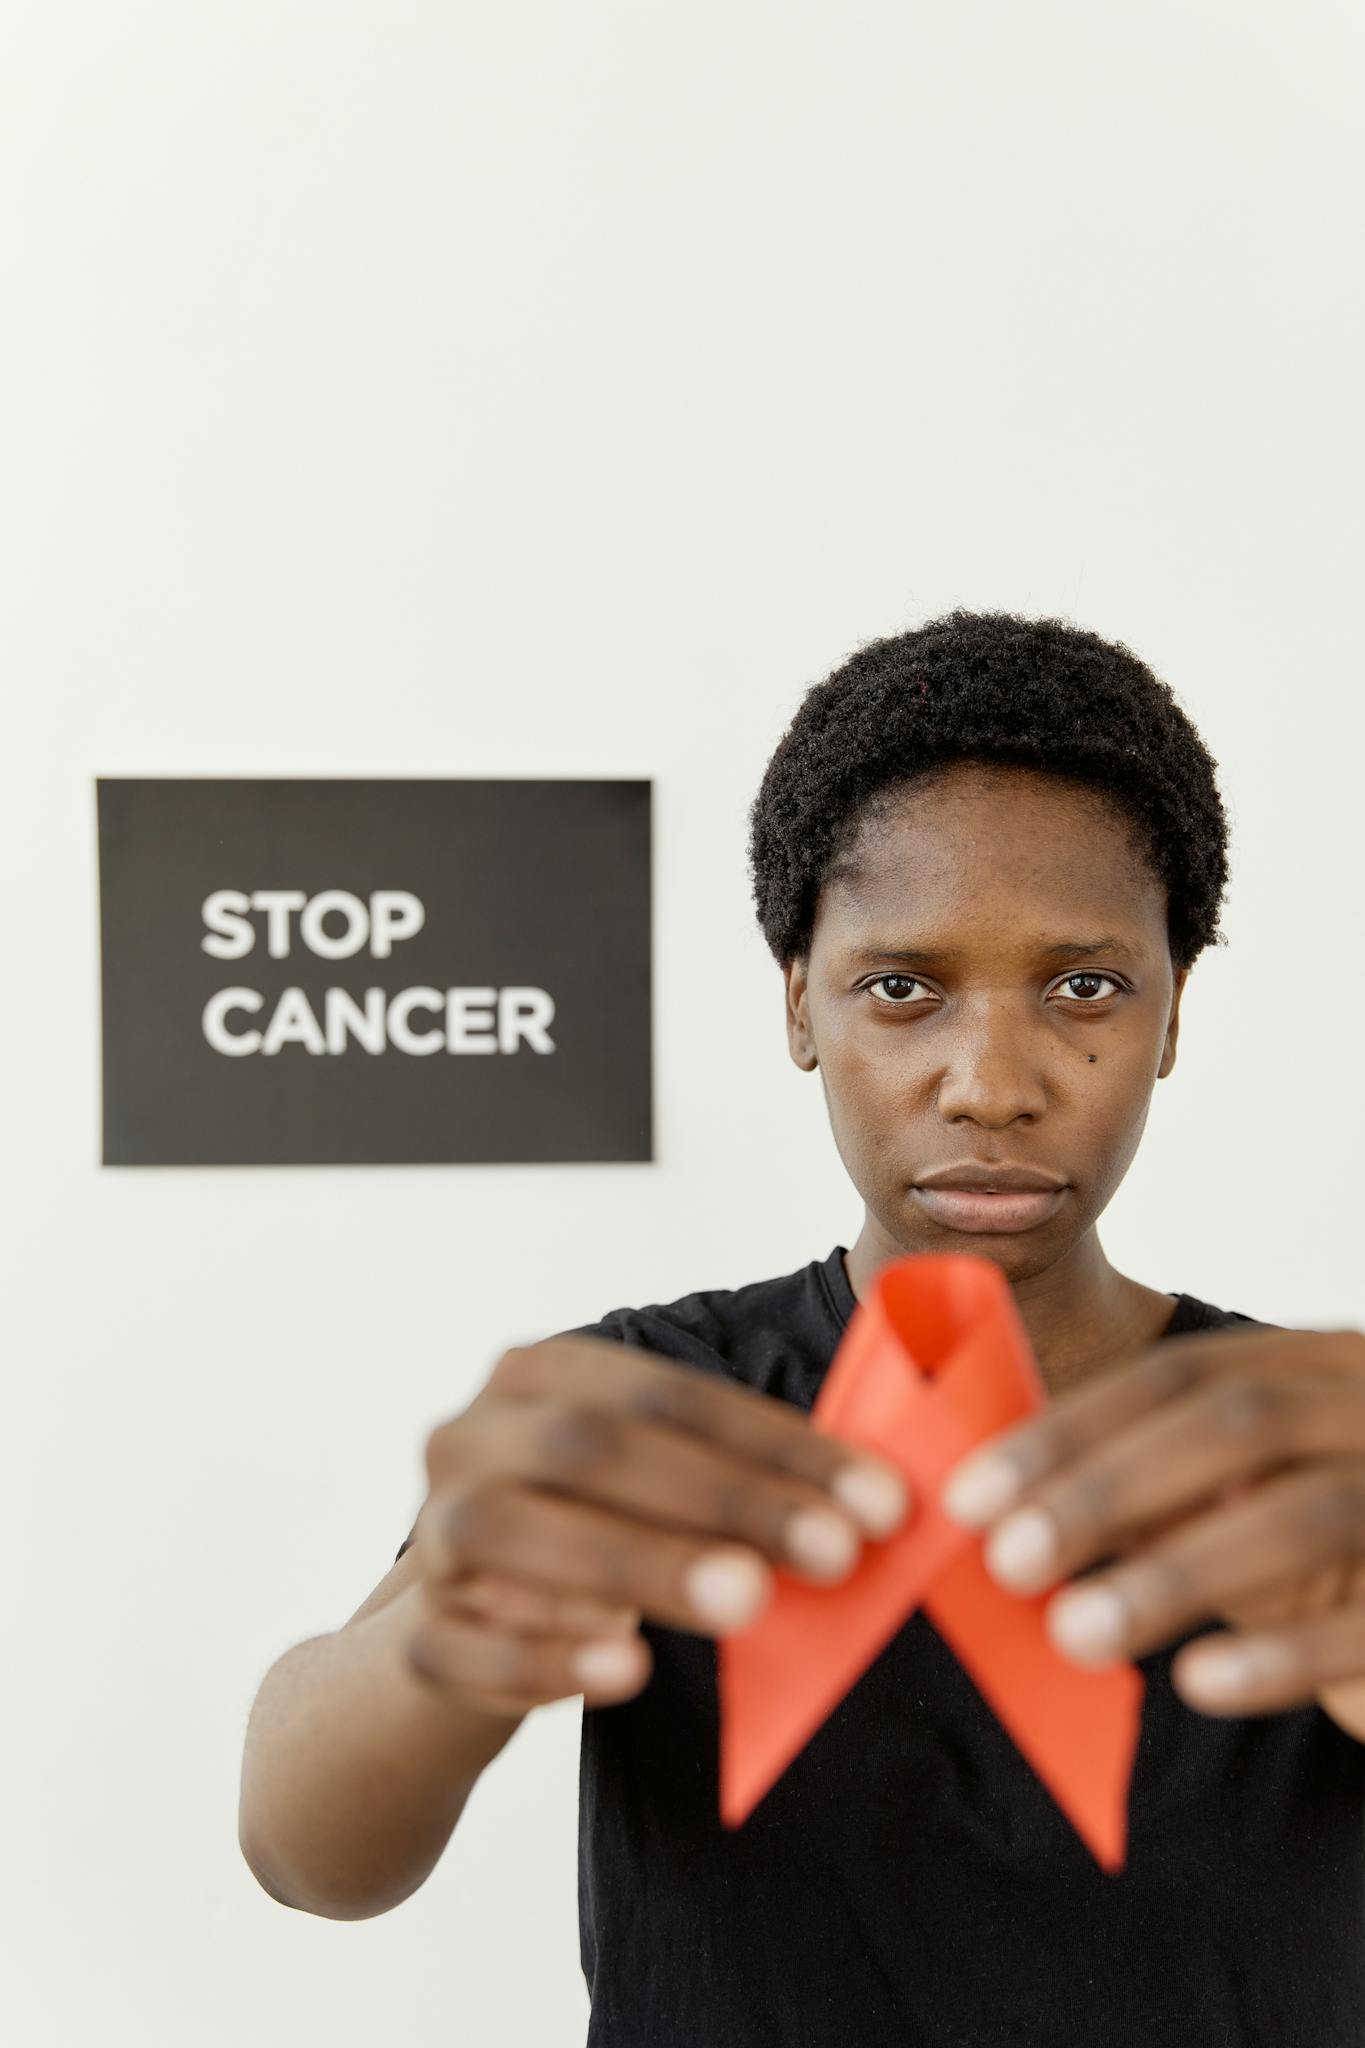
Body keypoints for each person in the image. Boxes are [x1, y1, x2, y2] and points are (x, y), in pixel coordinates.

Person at [238, 608, 1365, 2045]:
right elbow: (304, 1854)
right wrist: (447, 1636)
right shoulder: (643, 1408)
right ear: (799, 1005)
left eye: (1083, 986)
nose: (988, 1083)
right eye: (901, 989)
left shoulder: (1313, 1451)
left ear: (1171, 1014)